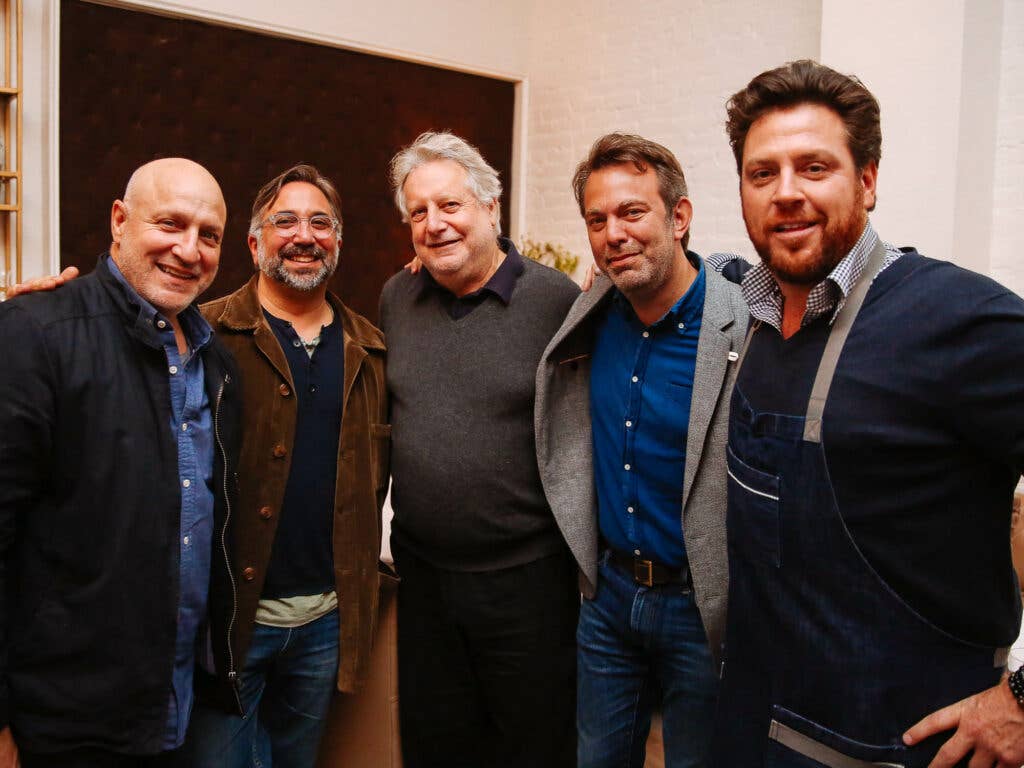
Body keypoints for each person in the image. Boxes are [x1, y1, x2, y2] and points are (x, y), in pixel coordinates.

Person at [710, 59, 1024, 767]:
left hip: (897, 747)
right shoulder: (749, 316)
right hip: (751, 730)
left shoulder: (956, 319)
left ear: (869, 181)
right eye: (763, 174)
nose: (786, 193)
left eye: (813, 167)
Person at [0, 158, 241, 766]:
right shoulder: (36, 333)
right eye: (171, 224)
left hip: (175, 706)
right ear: (119, 220)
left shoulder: (215, 362)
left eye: (208, 236)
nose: (189, 250)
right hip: (67, 720)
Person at [535, 133, 746, 768]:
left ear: (679, 218)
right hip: (608, 602)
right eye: (597, 220)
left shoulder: (744, 323)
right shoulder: (593, 313)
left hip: (701, 611)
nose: (612, 234)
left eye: (632, 212)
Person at [380, 131, 580, 768]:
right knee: (435, 745)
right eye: (419, 213)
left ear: (492, 208)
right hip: (424, 581)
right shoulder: (396, 296)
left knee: (531, 747)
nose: (435, 225)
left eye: (451, 206)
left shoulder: (556, 302)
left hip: (527, 585)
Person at [181, 164, 389, 767]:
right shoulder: (202, 334)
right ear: (253, 242)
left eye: (321, 222)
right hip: (226, 623)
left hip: (326, 620)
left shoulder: (371, 350)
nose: (305, 235)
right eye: (285, 221)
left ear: (339, 241)